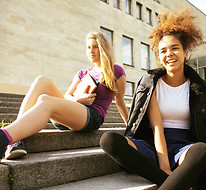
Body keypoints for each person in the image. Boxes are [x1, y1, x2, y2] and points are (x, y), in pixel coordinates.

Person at [99, 9, 206, 190]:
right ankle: (179, 189)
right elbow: (155, 126)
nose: (169, 54)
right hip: (153, 144)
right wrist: (165, 168)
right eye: (163, 50)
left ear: (186, 52)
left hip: (185, 147)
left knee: (202, 151)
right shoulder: (150, 81)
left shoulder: (203, 88)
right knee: (108, 140)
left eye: (175, 48)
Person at [0, 31, 128, 160]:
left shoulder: (116, 71)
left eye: (95, 46)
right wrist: (77, 99)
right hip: (69, 114)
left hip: (92, 117)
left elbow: (120, 102)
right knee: (42, 80)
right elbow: (67, 96)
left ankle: (4, 138)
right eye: (89, 47)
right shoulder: (83, 73)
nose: (91, 50)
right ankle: (16, 140)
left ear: (103, 48)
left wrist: (131, 128)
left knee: (44, 100)